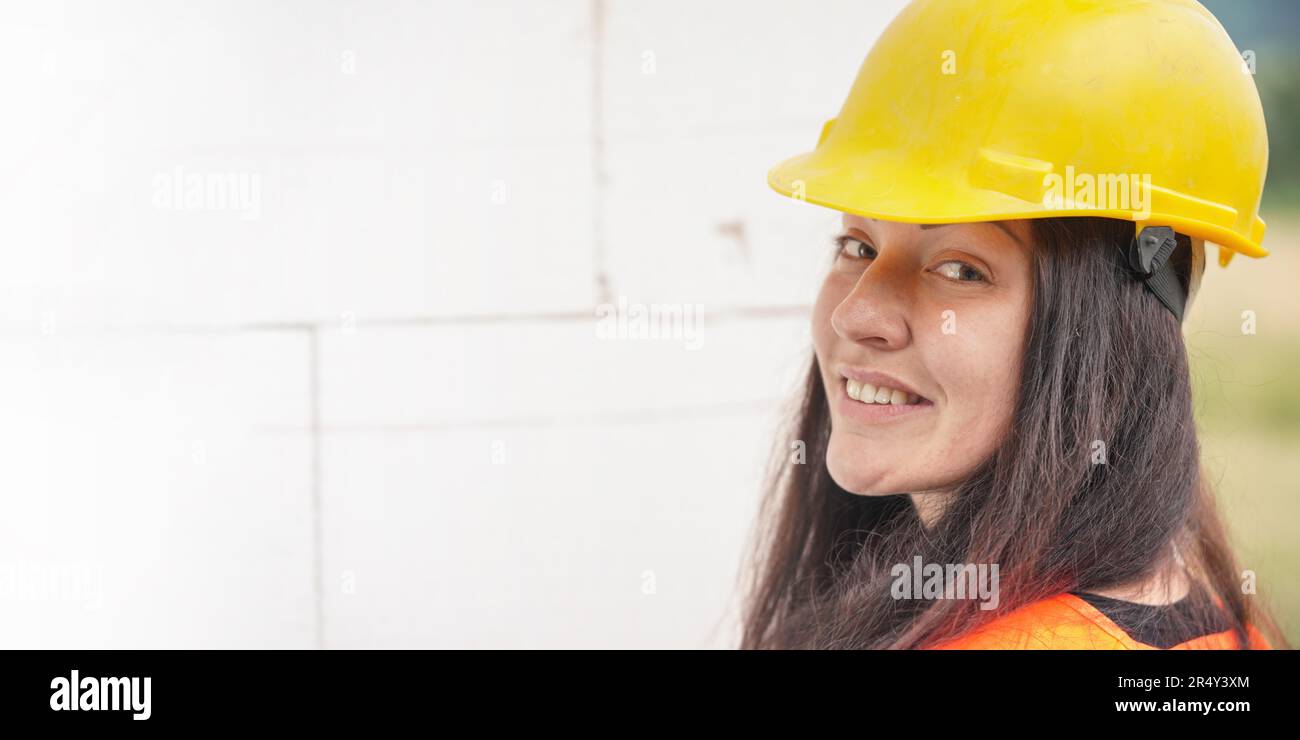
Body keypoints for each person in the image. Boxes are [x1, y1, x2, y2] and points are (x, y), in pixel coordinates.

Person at [740, 0, 1286, 649]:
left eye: (961, 269)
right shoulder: (1222, 631)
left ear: (1111, 331)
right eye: (857, 246)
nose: (856, 313)